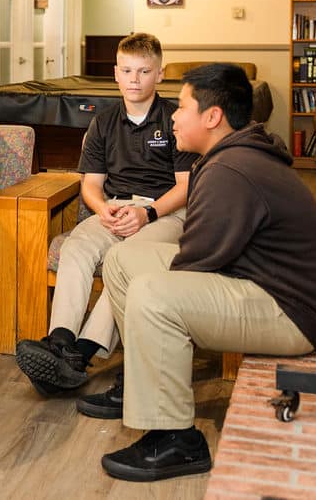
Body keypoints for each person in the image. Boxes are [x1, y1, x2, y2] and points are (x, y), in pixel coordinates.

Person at [92, 63, 316, 482]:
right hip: (259, 281)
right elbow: (202, 255)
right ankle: (144, 381)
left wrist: (157, 295)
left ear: (212, 117)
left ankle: (175, 440)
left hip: (292, 312)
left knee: (153, 293)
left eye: (183, 106)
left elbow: (196, 261)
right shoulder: (233, 154)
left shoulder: (230, 169)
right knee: (123, 260)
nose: (172, 115)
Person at [15, 33, 196, 396]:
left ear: (159, 74)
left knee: (124, 261)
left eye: (144, 71)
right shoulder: (103, 122)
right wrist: (104, 210)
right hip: (116, 206)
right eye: (127, 70)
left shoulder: (174, 120)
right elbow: (92, 185)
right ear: (115, 73)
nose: (134, 79)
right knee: (77, 246)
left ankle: (79, 357)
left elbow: (186, 186)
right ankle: (61, 341)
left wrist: (147, 213)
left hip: (165, 213)